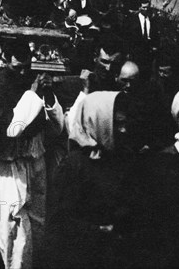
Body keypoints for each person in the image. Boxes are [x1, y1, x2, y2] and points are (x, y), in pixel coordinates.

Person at [0, 39, 64, 269]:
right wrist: (32, 96)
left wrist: (48, 95)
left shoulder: (32, 83)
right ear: (5, 62)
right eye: (16, 67)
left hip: (35, 161)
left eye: (26, 67)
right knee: (14, 230)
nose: (22, 72)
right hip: (9, 167)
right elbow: (12, 129)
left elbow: (57, 128)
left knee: (37, 223)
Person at [47, 91, 135, 268]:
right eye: (116, 124)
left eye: (125, 123)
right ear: (97, 123)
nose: (124, 130)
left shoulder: (124, 158)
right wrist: (99, 231)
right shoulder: (74, 165)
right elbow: (60, 222)